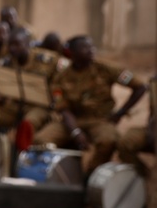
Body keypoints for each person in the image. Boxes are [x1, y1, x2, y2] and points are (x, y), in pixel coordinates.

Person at [32, 36, 147, 177]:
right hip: (72, 120)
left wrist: (120, 113)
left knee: (109, 140)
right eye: (85, 47)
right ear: (72, 53)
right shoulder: (61, 77)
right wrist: (75, 132)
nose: (91, 50)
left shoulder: (105, 68)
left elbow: (140, 86)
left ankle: (91, 176)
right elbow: (63, 109)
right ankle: (56, 176)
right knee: (40, 140)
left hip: (100, 119)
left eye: (92, 47)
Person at [0, 28, 67, 144]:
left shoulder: (47, 60)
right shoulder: (5, 63)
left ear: (27, 44)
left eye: (17, 44)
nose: (12, 48)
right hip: (13, 105)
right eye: (10, 45)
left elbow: (62, 79)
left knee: (28, 123)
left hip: (38, 106)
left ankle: (25, 159)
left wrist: (55, 98)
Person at [116, 75, 155, 178]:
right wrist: (151, 128)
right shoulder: (154, 81)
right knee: (125, 143)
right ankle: (145, 176)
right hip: (152, 129)